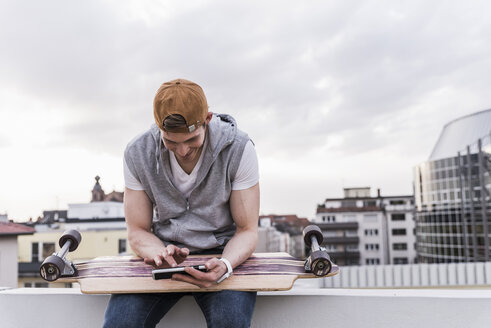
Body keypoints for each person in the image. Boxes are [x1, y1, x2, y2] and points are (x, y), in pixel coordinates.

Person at [103, 78, 260, 328]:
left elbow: (247, 230)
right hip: (163, 257)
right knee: (120, 323)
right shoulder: (137, 152)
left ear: (207, 119)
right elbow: (137, 230)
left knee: (228, 323)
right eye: (171, 142)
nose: (183, 151)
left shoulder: (239, 149)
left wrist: (226, 264)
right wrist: (158, 253)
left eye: (191, 140)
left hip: (222, 254)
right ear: (158, 127)